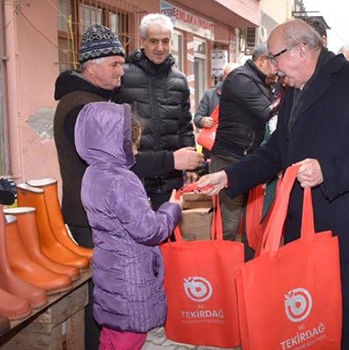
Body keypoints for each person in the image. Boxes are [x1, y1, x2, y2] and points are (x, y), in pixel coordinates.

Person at [198, 19, 349, 349]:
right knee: (309, 324)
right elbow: (279, 148)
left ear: (301, 49)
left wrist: (327, 171)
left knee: (347, 329)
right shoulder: (295, 89)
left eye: (276, 58)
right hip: (306, 228)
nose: (273, 70)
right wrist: (229, 176)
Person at [75, 101, 182, 350]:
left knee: (111, 336)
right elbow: (149, 230)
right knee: (130, 339)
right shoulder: (122, 180)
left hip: (109, 272)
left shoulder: (92, 173)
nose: (135, 151)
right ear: (116, 142)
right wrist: (172, 208)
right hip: (129, 276)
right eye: (133, 144)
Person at [53, 23, 125, 349]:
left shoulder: (90, 99)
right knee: (102, 296)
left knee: (105, 292)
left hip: (91, 211)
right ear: (92, 66)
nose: (121, 71)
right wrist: (170, 161)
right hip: (90, 215)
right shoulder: (84, 106)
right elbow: (114, 161)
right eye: (114, 64)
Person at [115, 13, 203, 210]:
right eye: (154, 41)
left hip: (171, 176)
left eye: (165, 41)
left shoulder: (179, 80)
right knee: (139, 233)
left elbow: (185, 126)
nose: (160, 47)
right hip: (136, 174)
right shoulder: (123, 76)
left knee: (169, 233)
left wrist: (191, 166)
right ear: (143, 41)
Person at [209, 44, 275, 248]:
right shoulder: (241, 79)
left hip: (246, 157)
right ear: (262, 60)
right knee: (229, 225)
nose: (279, 68)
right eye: (276, 62)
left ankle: (242, 270)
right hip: (230, 158)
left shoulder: (259, 80)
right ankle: (221, 269)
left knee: (249, 224)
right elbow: (267, 112)